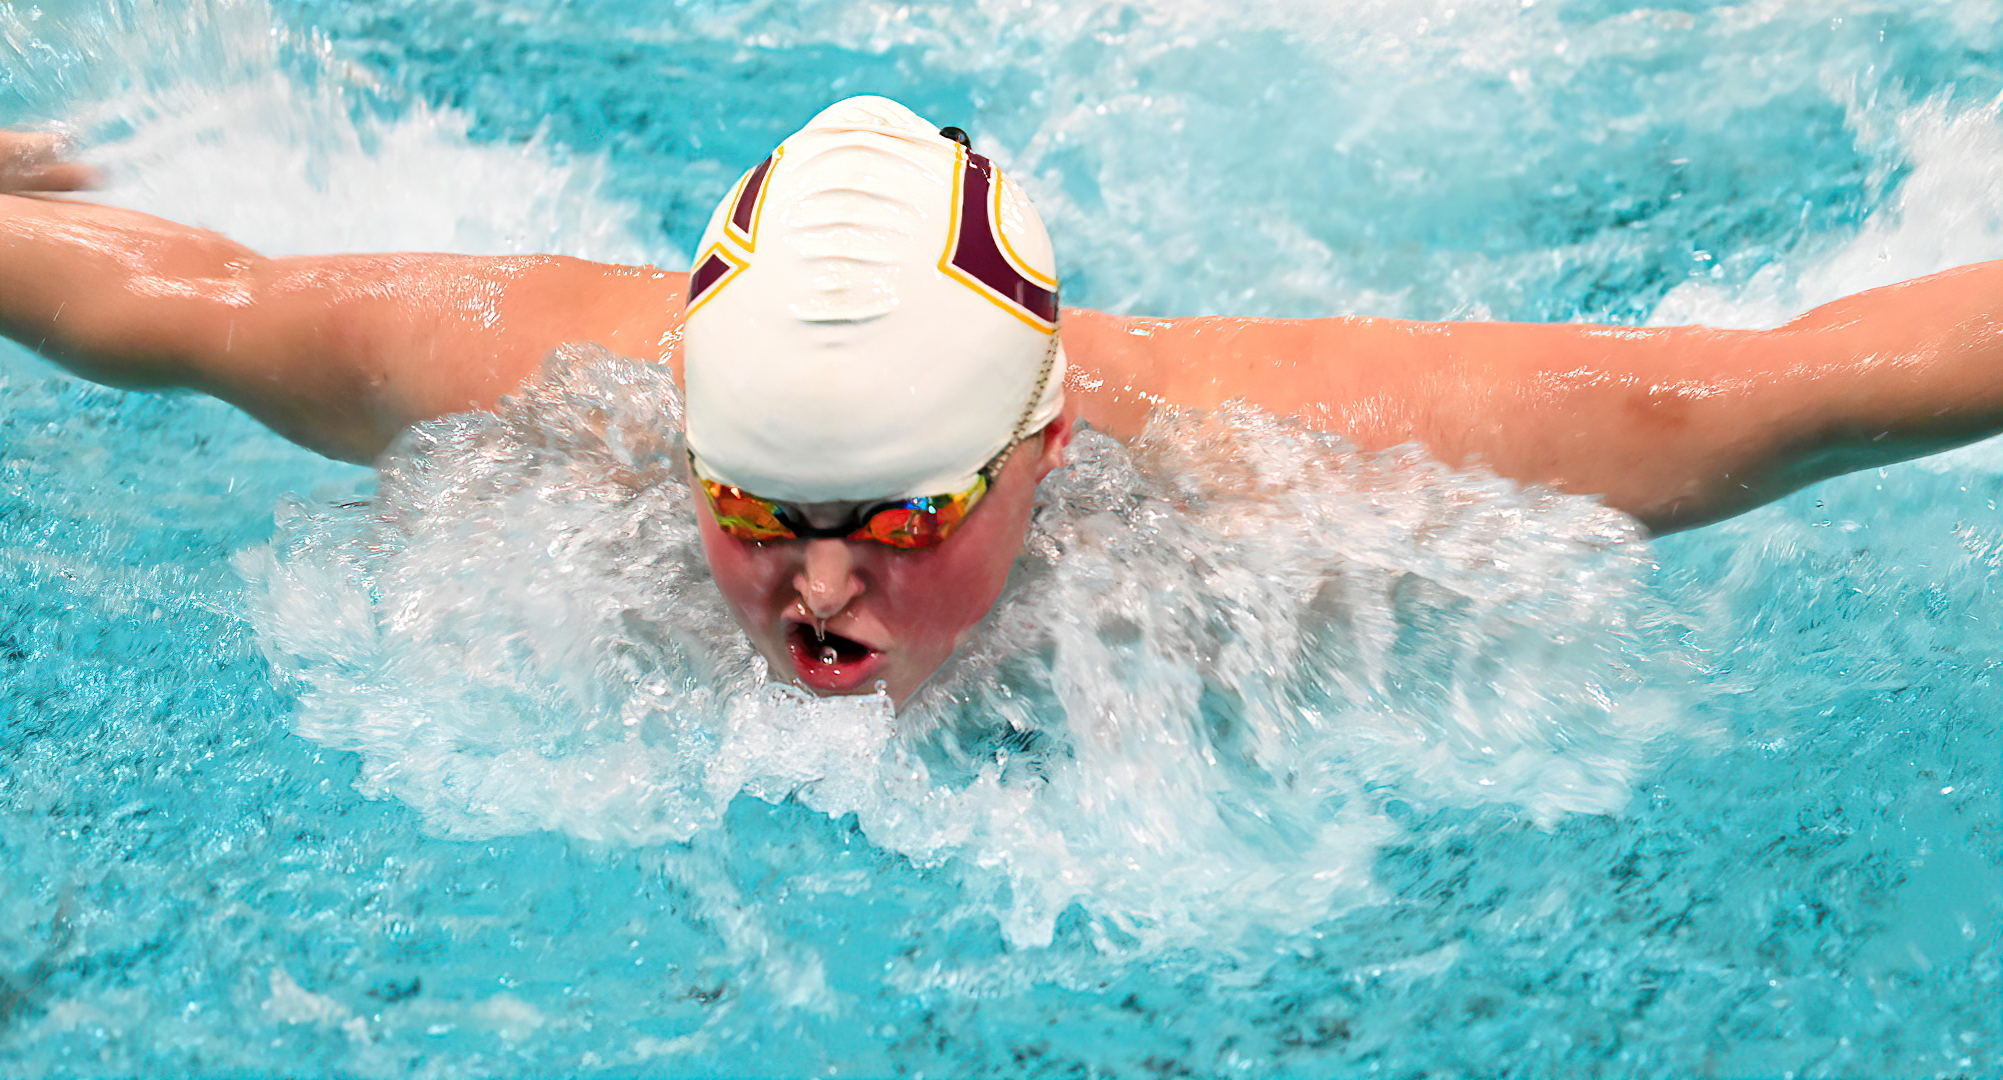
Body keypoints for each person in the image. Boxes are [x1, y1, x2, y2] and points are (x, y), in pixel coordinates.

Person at [6, 94, 2003, 708]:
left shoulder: (1300, 459)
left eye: (896, 525)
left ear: (1040, 448)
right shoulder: (529, 390)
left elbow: (1808, 383)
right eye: (752, 510)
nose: (814, 593)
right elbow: (185, 296)